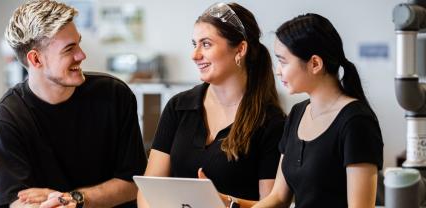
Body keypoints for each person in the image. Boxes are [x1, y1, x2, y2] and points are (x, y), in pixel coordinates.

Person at [0, 0, 147, 207]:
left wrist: (73, 199)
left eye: (78, 43)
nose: (81, 55)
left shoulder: (114, 96)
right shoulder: (9, 118)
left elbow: (133, 183)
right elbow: (11, 202)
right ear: (36, 60)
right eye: (69, 49)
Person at [137, 2, 285, 208]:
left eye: (206, 44)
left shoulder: (270, 122)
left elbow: (273, 203)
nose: (195, 55)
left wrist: (224, 202)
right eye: (194, 44)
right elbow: (148, 190)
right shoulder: (178, 107)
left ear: (240, 49)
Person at [253, 13, 383, 208]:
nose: (278, 70)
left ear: (315, 64)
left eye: (283, 61)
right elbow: (279, 197)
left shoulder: (357, 122)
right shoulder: (297, 113)